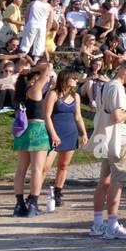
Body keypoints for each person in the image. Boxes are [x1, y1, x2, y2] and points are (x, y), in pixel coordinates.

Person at [91, 59, 126, 239]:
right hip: (119, 139)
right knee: (117, 181)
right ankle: (112, 224)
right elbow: (118, 116)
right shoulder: (116, 88)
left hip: (108, 138)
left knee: (105, 181)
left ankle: (98, 223)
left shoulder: (107, 86)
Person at [11, 61, 53, 216]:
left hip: (24, 132)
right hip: (37, 130)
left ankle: (19, 204)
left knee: (21, 169)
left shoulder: (22, 92)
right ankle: (33, 203)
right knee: (37, 169)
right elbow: (47, 67)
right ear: (35, 78)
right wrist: (32, 69)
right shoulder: (35, 90)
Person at [45, 69, 87, 208]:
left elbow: (78, 117)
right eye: (73, 78)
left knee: (63, 166)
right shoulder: (53, 94)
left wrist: (84, 133)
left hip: (70, 133)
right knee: (45, 167)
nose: (76, 80)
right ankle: (33, 195)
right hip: (54, 134)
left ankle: (58, 192)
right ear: (65, 78)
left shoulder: (76, 96)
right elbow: (47, 116)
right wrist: (53, 134)